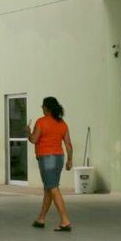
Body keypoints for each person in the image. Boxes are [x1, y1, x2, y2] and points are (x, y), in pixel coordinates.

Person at [25, 96, 73, 232]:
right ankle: (41, 219)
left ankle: (65, 220)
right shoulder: (62, 123)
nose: (41, 108)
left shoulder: (41, 122)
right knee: (49, 188)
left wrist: (28, 133)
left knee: (53, 188)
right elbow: (68, 143)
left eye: (42, 106)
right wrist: (70, 160)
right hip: (59, 157)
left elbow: (34, 140)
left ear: (46, 108)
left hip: (46, 158)